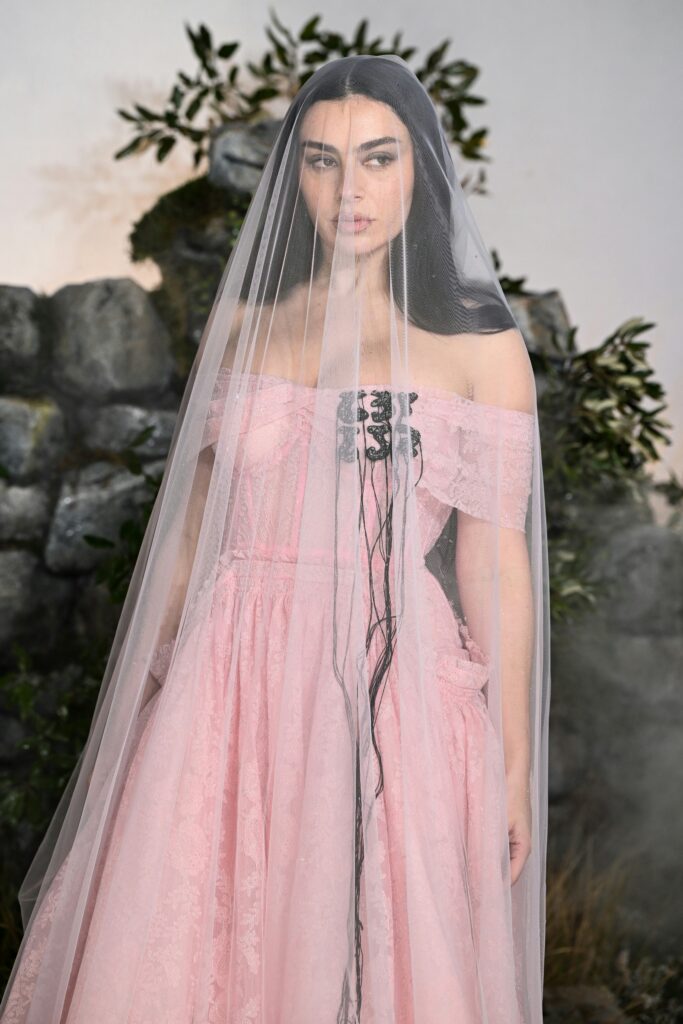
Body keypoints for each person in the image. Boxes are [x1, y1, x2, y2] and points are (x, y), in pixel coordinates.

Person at [0, 53, 550, 1023]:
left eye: (377, 158)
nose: (348, 190)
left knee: (373, 947)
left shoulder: (480, 345)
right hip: (230, 671)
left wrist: (511, 764)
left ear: (420, 168)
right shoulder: (247, 320)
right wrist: (146, 703)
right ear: (292, 175)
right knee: (196, 948)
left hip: (389, 678)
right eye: (321, 161)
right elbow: (190, 532)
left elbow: (492, 562)